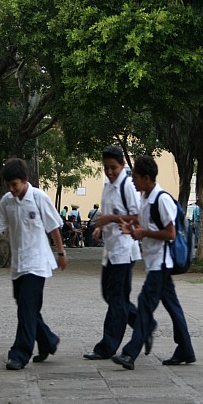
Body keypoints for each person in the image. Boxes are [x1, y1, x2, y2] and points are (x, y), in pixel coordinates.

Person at [0, 158, 67, 371]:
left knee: (26, 308)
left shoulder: (39, 198)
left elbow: (54, 227)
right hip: (19, 264)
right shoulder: (8, 201)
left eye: (15, 185)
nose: (12, 189)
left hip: (37, 263)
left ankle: (19, 353)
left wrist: (61, 253)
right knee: (26, 306)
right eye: (9, 185)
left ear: (25, 180)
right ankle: (47, 341)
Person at [113, 155, 195, 370]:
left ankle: (130, 353)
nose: (132, 181)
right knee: (173, 307)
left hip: (162, 263)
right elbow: (144, 226)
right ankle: (186, 349)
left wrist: (143, 232)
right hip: (155, 263)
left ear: (147, 178)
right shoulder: (145, 199)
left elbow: (170, 234)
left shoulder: (161, 199)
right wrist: (133, 231)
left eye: (136, 177)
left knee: (144, 305)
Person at [83, 145, 150, 361]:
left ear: (122, 165)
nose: (110, 172)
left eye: (113, 167)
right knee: (110, 295)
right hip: (110, 249)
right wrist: (100, 227)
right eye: (106, 168)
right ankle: (143, 325)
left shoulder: (127, 187)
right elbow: (108, 211)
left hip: (124, 250)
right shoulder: (108, 186)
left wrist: (109, 220)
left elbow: (138, 216)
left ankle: (107, 346)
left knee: (117, 300)